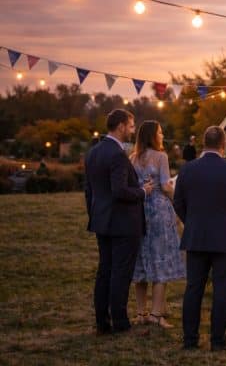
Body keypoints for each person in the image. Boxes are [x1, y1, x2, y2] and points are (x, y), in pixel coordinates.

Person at [174, 126, 226, 351]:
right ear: (223, 144)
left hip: (196, 237)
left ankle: (190, 340)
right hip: (225, 239)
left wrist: (191, 222)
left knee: (193, 289)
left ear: (203, 143)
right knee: (222, 291)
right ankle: (218, 340)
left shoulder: (187, 170)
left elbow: (177, 202)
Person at [84, 109, 153, 335]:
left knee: (104, 271)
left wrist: (95, 215)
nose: (133, 131)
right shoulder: (117, 155)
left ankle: (102, 322)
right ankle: (120, 322)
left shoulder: (93, 152)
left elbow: (89, 190)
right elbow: (119, 190)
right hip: (123, 223)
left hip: (102, 221)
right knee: (120, 273)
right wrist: (143, 191)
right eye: (131, 126)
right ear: (121, 126)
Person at [130, 121, 185, 329]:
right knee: (160, 261)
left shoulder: (132, 158)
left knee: (142, 262)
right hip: (159, 213)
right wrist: (179, 199)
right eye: (160, 133)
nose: (162, 136)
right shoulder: (161, 157)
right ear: (153, 136)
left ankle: (141, 312)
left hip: (139, 212)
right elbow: (165, 185)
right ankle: (156, 314)